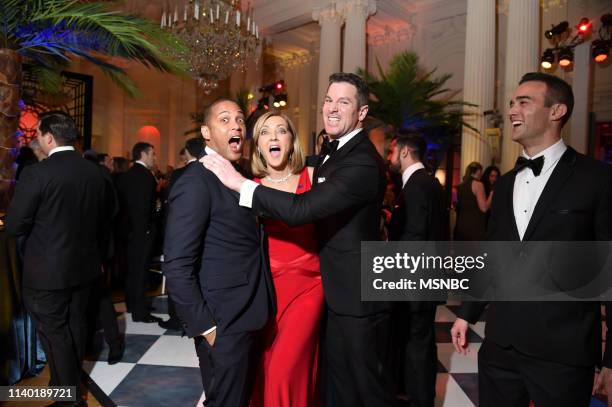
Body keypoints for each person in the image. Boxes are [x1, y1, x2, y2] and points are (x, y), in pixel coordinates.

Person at [203, 73, 396, 407]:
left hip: (343, 293)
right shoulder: (328, 158)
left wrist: (239, 183)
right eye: (328, 100)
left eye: (344, 102)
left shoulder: (361, 162)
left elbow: (302, 209)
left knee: (365, 389)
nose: (332, 109)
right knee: (332, 383)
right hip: (284, 293)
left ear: (362, 113)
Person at [451, 72, 612, 406]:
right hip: (500, 345)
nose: (512, 110)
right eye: (512, 103)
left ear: (557, 111)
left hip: (562, 352)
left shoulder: (597, 179)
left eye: (524, 102)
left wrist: (611, 358)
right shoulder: (506, 183)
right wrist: (467, 312)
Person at [163, 98, 274, 407]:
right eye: (225, 120)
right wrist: (208, 328)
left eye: (239, 119)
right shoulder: (196, 181)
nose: (236, 125)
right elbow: (177, 264)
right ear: (206, 132)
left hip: (248, 314)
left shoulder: (240, 176)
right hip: (223, 322)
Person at [6, 111, 116, 405]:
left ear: (48, 136)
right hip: (85, 269)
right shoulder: (96, 173)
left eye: (38, 134)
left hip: (47, 273)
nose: (37, 139)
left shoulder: (37, 173)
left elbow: (15, 226)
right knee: (74, 327)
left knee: (55, 335)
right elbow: (106, 219)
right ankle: (62, 387)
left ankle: (68, 399)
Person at [248, 112, 324, 407]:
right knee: (264, 369)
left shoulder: (313, 178)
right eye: (266, 132)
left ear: (292, 141)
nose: (275, 137)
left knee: (284, 369)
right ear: (258, 144)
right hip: (267, 292)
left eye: (282, 131)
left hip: (309, 287)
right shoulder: (248, 186)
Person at [387, 131, 445, 407]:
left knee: (417, 345)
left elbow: (415, 237)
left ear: (405, 152)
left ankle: (420, 400)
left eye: (392, 152)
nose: (390, 158)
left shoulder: (418, 186)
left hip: (414, 281)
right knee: (418, 342)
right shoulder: (428, 183)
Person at [158, 136, 205, 332]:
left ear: (188, 152)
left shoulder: (179, 174)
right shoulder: (211, 170)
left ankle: (178, 318)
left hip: (181, 231)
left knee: (178, 274)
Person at [115, 142, 161, 323]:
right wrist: (150, 228)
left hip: (128, 232)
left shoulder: (126, 176)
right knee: (141, 272)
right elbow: (145, 208)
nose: (154, 157)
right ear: (143, 154)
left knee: (131, 271)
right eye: (153, 154)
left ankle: (132, 304)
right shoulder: (146, 177)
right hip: (142, 232)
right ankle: (140, 312)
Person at [453, 161, 492, 240]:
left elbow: (456, 206)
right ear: (478, 171)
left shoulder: (460, 186)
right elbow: (484, 208)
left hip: (461, 228)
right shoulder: (478, 184)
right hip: (475, 228)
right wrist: (492, 194)